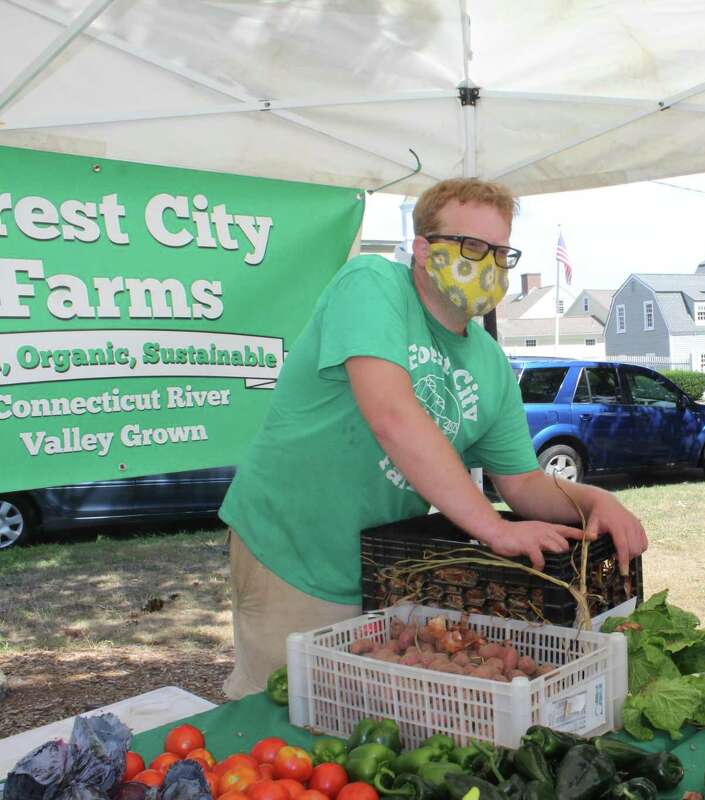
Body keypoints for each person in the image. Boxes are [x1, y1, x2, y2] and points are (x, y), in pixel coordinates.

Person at [218, 178, 649, 699]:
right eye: (471, 247)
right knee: (280, 715)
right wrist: (493, 529)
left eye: (499, 253)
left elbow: (524, 483)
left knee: (363, 714)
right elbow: (391, 415)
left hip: (386, 570)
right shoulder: (372, 283)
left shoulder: (489, 361)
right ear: (423, 250)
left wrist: (593, 500)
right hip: (289, 550)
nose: (487, 265)